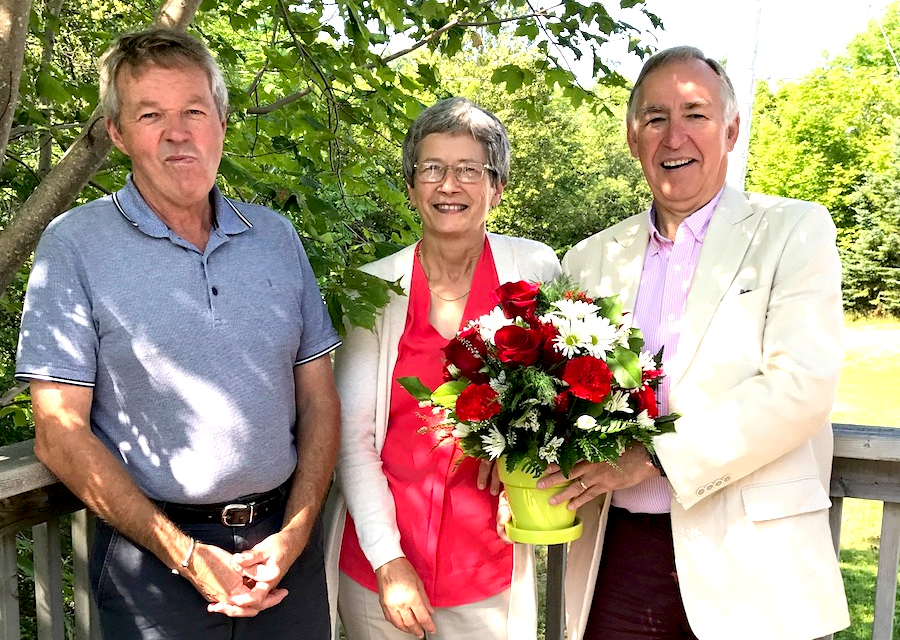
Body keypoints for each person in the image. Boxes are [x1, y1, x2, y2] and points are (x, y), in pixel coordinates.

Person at [15, 28, 341, 640]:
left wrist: (296, 531)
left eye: (194, 110)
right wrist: (189, 557)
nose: (177, 131)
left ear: (221, 120)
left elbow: (319, 398)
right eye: (150, 114)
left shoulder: (275, 238)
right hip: (153, 563)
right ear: (117, 133)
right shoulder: (74, 245)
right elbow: (58, 435)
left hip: (286, 551)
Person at [547, 46, 850, 640]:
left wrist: (652, 455)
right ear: (634, 139)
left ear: (731, 129)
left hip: (752, 560)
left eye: (696, 114)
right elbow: (558, 395)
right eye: (656, 118)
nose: (674, 136)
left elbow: (801, 387)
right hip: (618, 556)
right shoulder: (588, 259)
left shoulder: (793, 229)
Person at [322, 97, 561, 640]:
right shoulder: (374, 289)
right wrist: (387, 560)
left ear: (495, 188)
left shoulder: (535, 270)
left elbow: (560, 402)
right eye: (431, 169)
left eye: (469, 170)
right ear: (411, 185)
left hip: (491, 563)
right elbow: (352, 439)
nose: (448, 185)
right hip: (381, 567)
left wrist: (527, 465)